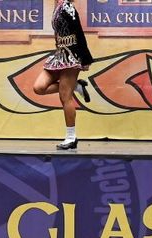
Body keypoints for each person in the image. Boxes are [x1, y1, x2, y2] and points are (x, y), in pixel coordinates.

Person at [33, 0, 93, 150]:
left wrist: (85, 58)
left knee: (65, 96)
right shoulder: (57, 5)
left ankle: (71, 137)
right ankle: (77, 86)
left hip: (72, 56)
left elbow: (78, 32)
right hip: (59, 55)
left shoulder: (67, 6)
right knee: (39, 88)